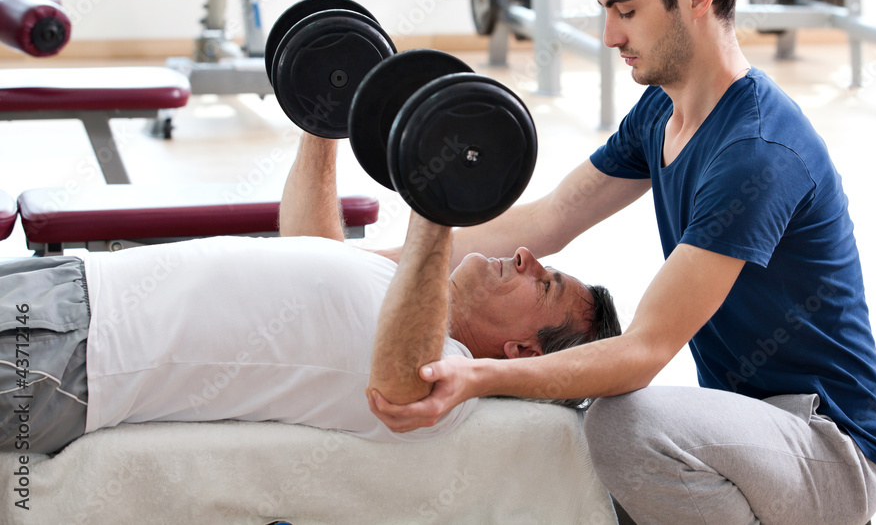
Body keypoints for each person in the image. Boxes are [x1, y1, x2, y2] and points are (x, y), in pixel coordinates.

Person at [366, 0, 876, 525]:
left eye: (627, 10)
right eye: (606, 11)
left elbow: (644, 351)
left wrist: (479, 376)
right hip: (754, 426)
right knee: (603, 447)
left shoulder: (756, 151)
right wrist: (377, 263)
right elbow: (548, 219)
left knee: (625, 427)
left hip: (829, 450)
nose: (611, 34)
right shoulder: (662, 112)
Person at [0, 134, 620, 455]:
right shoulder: (406, 300)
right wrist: (321, 122)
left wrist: (439, 205)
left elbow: (401, 384)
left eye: (544, 283)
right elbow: (314, 246)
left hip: (75, 357)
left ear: (521, 352)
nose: (527, 257)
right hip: (72, 282)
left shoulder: (439, 383)